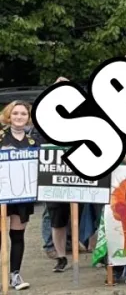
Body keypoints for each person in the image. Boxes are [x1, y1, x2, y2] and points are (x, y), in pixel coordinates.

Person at [1, 102, 42, 290]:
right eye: (15, 113)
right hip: (1, 194)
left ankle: (14, 275)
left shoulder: (33, 142)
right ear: (9, 115)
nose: (19, 117)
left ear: (28, 117)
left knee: (17, 235)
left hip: (23, 195)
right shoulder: (1, 138)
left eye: (23, 113)